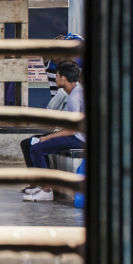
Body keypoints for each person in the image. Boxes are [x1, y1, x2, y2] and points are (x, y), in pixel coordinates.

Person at [19, 61, 85, 202]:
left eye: (57, 75)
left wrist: (48, 138)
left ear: (63, 78)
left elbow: (72, 130)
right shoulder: (75, 92)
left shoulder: (74, 97)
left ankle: (47, 190)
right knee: (30, 144)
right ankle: (40, 183)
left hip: (80, 138)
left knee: (37, 148)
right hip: (77, 134)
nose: (55, 77)